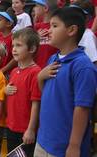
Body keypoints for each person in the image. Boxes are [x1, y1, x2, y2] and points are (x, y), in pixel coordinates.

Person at [35, 7, 97, 157]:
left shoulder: (83, 67)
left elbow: (82, 108)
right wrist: (40, 77)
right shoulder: (53, 59)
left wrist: (74, 146)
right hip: (43, 140)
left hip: (64, 146)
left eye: (54, 26)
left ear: (71, 30)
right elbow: (49, 94)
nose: (49, 30)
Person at [5, 28, 41, 157]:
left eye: (19, 45)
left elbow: (36, 103)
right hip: (11, 126)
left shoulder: (35, 72)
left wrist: (31, 129)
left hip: (25, 130)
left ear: (31, 49)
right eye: (13, 45)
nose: (14, 49)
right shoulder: (14, 71)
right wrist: (5, 90)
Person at [33, 0, 59, 68]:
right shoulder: (37, 26)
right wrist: (35, 38)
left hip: (53, 69)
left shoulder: (58, 27)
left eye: (36, 6)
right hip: (37, 69)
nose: (34, 8)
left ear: (45, 8)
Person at [0, 8, 18, 75]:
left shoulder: (13, 38)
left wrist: (3, 70)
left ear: (9, 23)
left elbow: (15, 58)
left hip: (8, 73)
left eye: (0, 20)